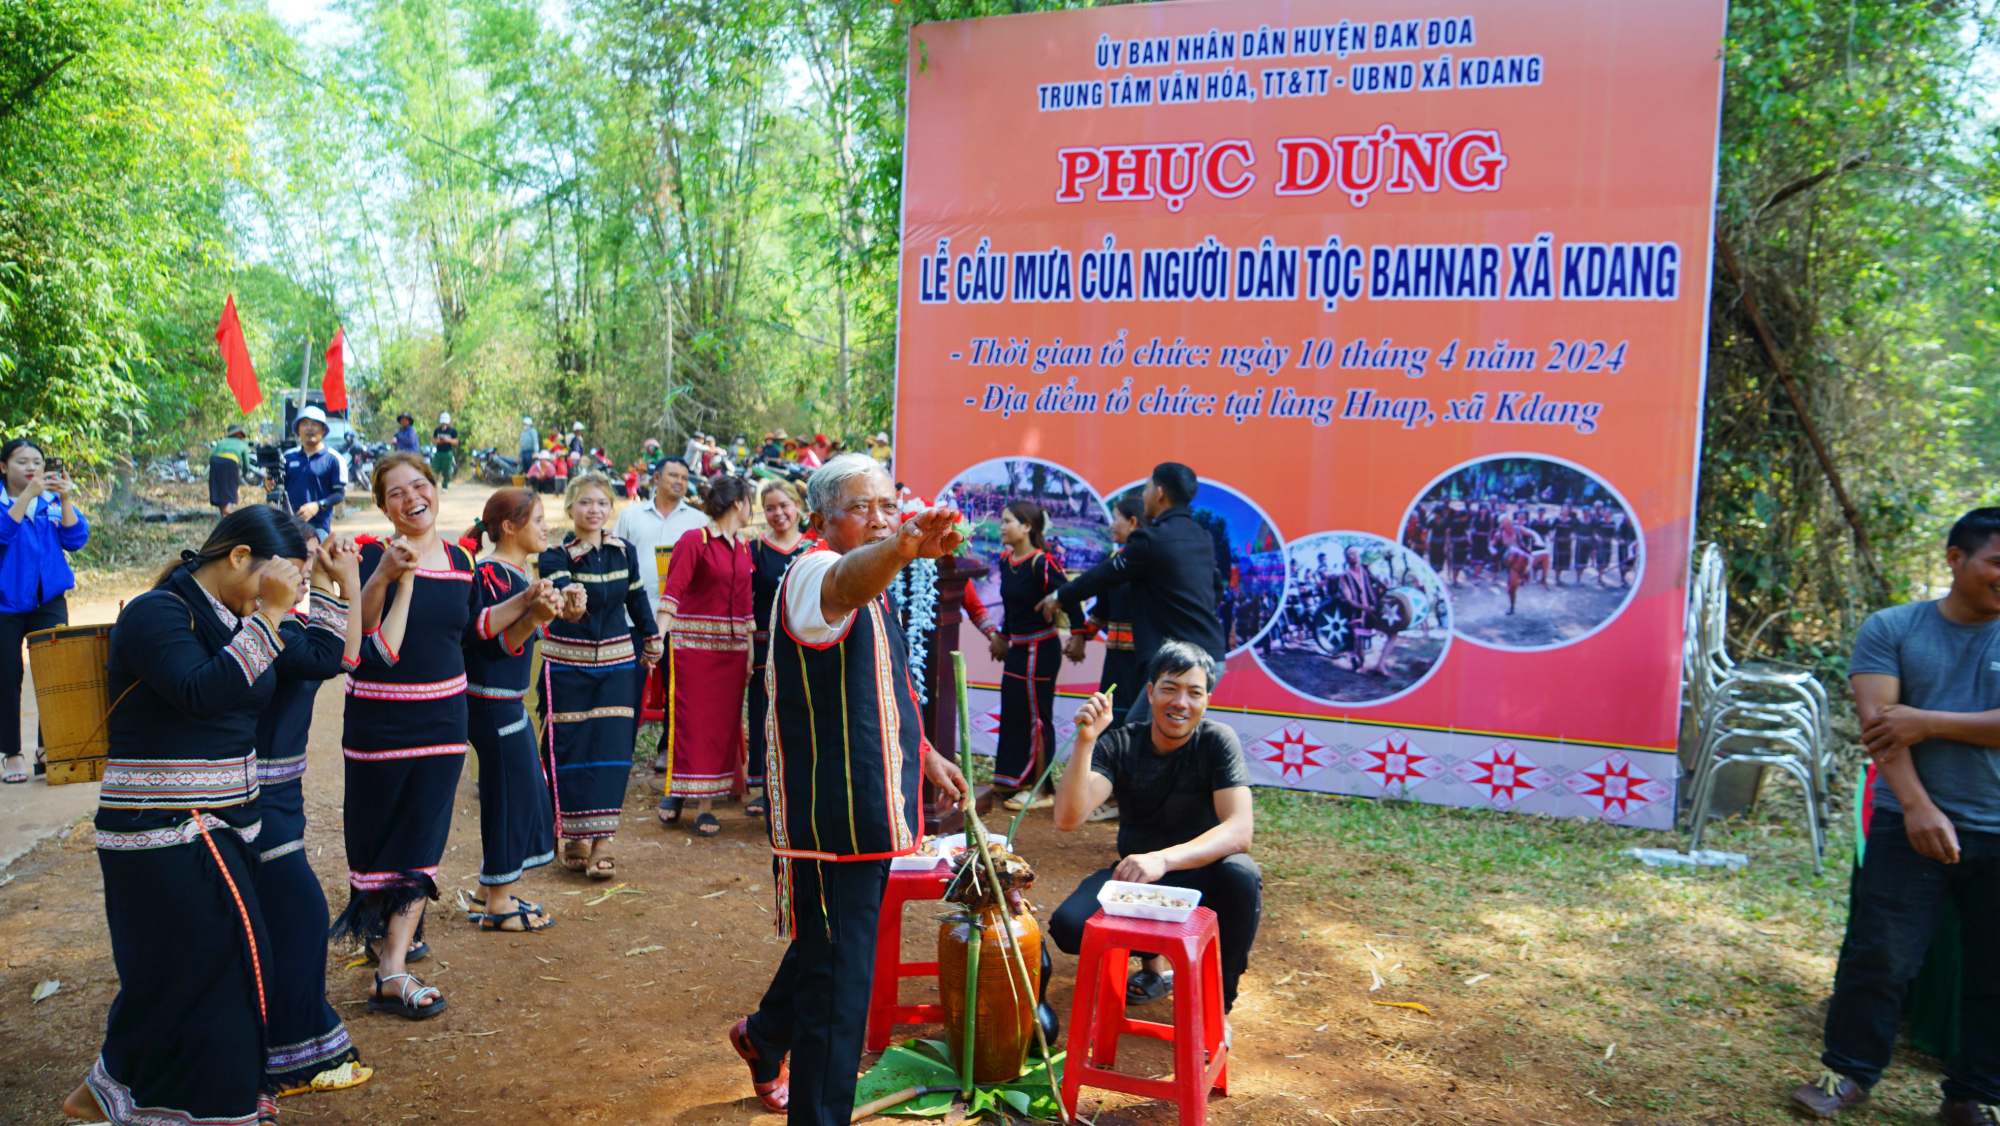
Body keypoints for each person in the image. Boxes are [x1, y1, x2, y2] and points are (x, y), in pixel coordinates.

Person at [728, 453, 969, 1122]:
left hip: (869, 813)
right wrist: (898, 546)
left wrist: (923, 755)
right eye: (864, 507)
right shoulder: (812, 573)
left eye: (889, 506)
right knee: (840, 995)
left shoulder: (875, 582)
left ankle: (764, 1035)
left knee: (833, 947)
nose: (883, 518)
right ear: (821, 518)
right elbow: (843, 587)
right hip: (836, 824)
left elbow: (880, 687)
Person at [61, 507, 307, 1125]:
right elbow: (201, 691)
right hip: (163, 828)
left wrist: (338, 585)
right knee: (232, 966)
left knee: (181, 974)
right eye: (269, 582)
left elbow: (326, 657)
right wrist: (273, 616)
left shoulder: (236, 616)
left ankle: (110, 1087)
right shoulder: (156, 613)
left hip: (217, 825)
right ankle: (211, 1112)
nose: (270, 599)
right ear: (240, 557)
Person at [1787, 506, 2000, 1123]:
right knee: (1880, 955)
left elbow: (1906, 723)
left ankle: (1974, 1094)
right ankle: (1845, 1074)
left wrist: (1927, 720)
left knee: (1997, 969)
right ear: (1956, 559)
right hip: (1910, 820)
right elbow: (1881, 729)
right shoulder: (1893, 628)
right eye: (1997, 563)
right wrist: (1917, 807)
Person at [341, 453, 535, 1020]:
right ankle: (380, 931)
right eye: (396, 493)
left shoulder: (460, 560)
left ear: (436, 492)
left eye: (419, 486)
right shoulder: (371, 555)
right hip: (378, 721)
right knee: (374, 836)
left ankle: (392, 969)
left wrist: (528, 602)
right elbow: (364, 629)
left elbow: (475, 629)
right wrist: (385, 575)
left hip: (443, 721)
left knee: (423, 837)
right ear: (383, 507)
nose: (410, 498)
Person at [1048, 641, 1260, 1024]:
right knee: (1068, 927)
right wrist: (1085, 741)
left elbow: (1240, 829)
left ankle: (1218, 1007)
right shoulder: (1121, 743)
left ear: (1206, 700)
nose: (1181, 702)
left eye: (1193, 693)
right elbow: (1067, 817)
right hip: (1138, 883)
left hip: (1202, 876)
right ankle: (1156, 970)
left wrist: (1163, 859)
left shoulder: (1217, 741)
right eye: (1169, 688)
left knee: (1241, 874)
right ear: (1150, 692)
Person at [252, 527, 372, 1096]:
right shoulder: (259, 628)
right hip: (252, 799)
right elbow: (332, 657)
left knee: (280, 920)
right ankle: (295, 1056)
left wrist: (327, 579)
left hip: (280, 794)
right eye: (295, 564)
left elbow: (338, 654)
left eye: (304, 564)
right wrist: (341, 580)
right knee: (299, 916)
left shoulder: (279, 623)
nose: (301, 573)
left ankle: (276, 1048)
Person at [539, 472, 661, 879]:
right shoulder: (556, 555)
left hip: (616, 665)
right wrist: (572, 601)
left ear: (612, 509)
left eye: (602, 503)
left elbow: (637, 598)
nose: (595, 510)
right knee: (571, 747)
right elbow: (562, 595)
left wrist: (651, 636)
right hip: (565, 665)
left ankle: (603, 841)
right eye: (586, 502)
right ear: (571, 506)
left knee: (611, 750)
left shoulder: (623, 551)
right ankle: (573, 836)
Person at [1043, 462, 1225, 723]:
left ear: (1159, 493)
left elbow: (1104, 575)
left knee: (1150, 738)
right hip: (1210, 654)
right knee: (1140, 730)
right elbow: (1216, 588)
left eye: (1147, 488)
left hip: (1186, 663)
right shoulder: (1201, 536)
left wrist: (1059, 597)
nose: (1144, 495)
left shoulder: (1151, 540)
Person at [463, 489, 564, 931]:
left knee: (517, 791)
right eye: (538, 520)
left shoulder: (517, 576)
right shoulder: (489, 576)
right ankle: (500, 906)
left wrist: (554, 612)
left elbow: (515, 641)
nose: (546, 528)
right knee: (510, 794)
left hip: (505, 700)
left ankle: (490, 890)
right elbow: (490, 644)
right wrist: (532, 613)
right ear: (509, 527)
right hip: (489, 700)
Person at [656, 475, 754, 837]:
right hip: (692, 649)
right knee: (690, 723)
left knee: (720, 728)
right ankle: (681, 793)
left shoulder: (743, 548)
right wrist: (658, 636)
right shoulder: (694, 540)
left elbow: (746, 610)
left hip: (731, 652)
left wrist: (748, 654)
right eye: (750, 501)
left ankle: (705, 804)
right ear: (738, 504)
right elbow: (674, 591)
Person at [966, 501, 1066, 808]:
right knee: (1014, 713)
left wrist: (1082, 635)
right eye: (1002, 521)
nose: (1002, 526)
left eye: (1008, 521)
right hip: (1018, 648)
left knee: (1038, 717)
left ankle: (1042, 790)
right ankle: (1014, 780)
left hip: (1041, 649)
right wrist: (1003, 639)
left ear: (1027, 527)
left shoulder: (1042, 563)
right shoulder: (1006, 560)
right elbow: (1012, 611)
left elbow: (1070, 597)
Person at [0, 438, 86, 784]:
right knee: (7, 677)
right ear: (3, 467)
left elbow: (76, 538)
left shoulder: (51, 501)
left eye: (37, 461)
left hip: (49, 601)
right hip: (5, 604)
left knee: (55, 675)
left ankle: (46, 748)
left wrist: (64, 498)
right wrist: (26, 496)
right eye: (22, 461)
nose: (32, 467)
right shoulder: (10, 501)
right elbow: (3, 534)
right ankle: (11, 754)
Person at [745, 480, 812, 821]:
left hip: (806, 644)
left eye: (784, 505)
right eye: (770, 508)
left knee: (801, 713)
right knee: (763, 713)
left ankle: (797, 788)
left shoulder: (814, 546)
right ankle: (763, 787)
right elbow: (745, 597)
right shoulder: (754, 548)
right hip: (764, 643)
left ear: (798, 506)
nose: (778, 513)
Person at [1066, 494, 1145, 719]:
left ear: (1133, 522)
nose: (1111, 525)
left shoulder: (1155, 562)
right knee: (1112, 719)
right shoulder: (1113, 560)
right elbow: (1102, 610)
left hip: (1147, 660)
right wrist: (1081, 637)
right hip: (1117, 660)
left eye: (1116, 519)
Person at [283, 405, 348, 542]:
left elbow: (339, 494)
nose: (309, 428)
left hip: (318, 527)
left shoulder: (333, 459)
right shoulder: (287, 457)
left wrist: (317, 506)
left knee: (316, 562)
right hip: (288, 525)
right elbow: (278, 488)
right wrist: (268, 484)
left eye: (315, 424)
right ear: (298, 429)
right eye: (304, 424)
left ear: (323, 429)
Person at [209, 422, 253, 515]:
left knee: (220, 488)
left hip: (215, 462)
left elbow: (212, 455)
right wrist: (245, 474)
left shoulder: (221, 442)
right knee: (229, 488)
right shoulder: (242, 444)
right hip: (230, 463)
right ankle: (231, 514)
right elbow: (246, 463)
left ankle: (223, 516)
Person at [430, 412, 459, 488]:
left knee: (447, 470)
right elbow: (433, 439)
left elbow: (456, 441)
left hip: (448, 453)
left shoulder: (452, 431)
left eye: (445, 423)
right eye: (443, 422)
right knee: (435, 469)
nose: (444, 424)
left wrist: (448, 440)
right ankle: (433, 485)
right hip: (439, 452)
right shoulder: (437, 430)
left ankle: (445, 486)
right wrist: (437, 441)